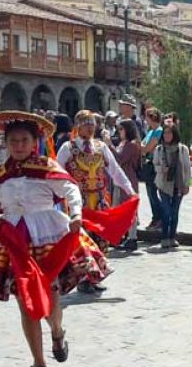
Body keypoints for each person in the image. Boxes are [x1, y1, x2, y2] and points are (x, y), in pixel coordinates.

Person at [0, 112, 106, 367]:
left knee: (49, 296)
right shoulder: (1, 173)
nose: (18, 146)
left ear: (34, 141)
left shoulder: (46, 166)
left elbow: (71, 189)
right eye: (13, 141)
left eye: (24, 140)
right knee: (25, 302)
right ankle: (39, 364)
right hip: (13, 240)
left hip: (46, 234)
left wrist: (75, 214)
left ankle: (57, 332)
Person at [57, 110, 135, 293]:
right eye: (86, 123)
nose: (90, 126)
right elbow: (57, 172)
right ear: (77, 126)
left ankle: (95, 276)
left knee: (100, 237)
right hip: (78, 200)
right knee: (83, 239)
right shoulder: (68, 148)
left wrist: (129, 190)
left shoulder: (101, 147)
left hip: (99, 199)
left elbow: (115, 170)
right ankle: (84, 278)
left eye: (92, 123)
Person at [154, 124, 192, 248]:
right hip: (163, 184)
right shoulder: (159, 149)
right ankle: (164, 237)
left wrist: (187, 184)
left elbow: (187, 167)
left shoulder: (183, 149)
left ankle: (172, 237)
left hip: (178, 184)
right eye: (165, 133)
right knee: (166, 211)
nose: (167, 136)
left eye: (169, 133)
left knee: (175, 212)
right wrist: (161, 169)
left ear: (174, 134)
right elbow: (155, 164)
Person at [111, 119, 141, 251]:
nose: (119, 132)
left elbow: (121, 158)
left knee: (130, 208)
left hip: (128, 179)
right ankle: (120, 235)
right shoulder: (123, 143)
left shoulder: (132, 144)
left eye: (121, 129)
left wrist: (109, 145)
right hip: (119, 179)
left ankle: (132, 237)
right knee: (118, 208)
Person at [141, 108, 164, 231]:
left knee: (153, 193)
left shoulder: (158, 131)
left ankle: (159, 218)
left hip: (155, 166)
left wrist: (141, 146)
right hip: (148, 165)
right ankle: (156, 217)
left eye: (147, 117)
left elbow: (147, 148)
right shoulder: (150, 131)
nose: (145, 120)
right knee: (150, 193)